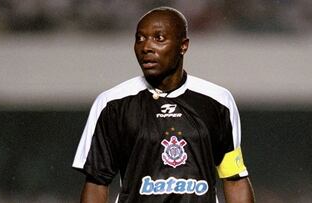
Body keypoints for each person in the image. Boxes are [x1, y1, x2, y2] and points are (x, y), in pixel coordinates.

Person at [73, 6, 255, 203]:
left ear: (183, 45)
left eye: (158, 38)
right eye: (140, 39)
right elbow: (96, 182)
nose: (146, 47)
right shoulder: (112, 104)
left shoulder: (218, 101)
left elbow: (234, 178)